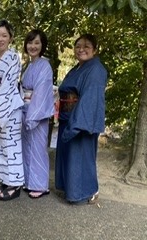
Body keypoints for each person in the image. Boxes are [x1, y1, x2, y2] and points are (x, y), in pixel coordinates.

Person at [55, 34, 108, 204]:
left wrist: (77, 123)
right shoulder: (76, 68)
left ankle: (88, 191)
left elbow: (91, 98)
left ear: (95, 49)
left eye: (86, 46)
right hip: (67, 116)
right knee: (70, 156)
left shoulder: (96, 69)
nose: (81, 49)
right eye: (78, 46)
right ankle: (72, 190)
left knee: (82, 156)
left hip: (80, 118)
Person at [0, 19, 24, 201]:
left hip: (8, 107)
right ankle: (4, 179)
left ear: (10, 38)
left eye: (4, 35)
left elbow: (9, 85)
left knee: (11, 146)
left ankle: (15, 184)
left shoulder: (13, 57)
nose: (0, 39)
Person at [21, 29, 54, 198]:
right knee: (27, 148)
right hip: (26, 110)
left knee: (38, 148)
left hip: (36, 114)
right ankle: (28, 181)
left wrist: (32, 116)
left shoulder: (45, 66)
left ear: (42, 45)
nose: (32, 46)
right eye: (30, 42)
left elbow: (41, 92)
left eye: (37, 43)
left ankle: (40, 185)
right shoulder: (29, 66)